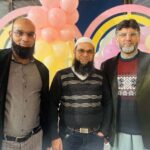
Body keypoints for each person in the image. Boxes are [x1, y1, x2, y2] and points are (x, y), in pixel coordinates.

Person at [49, 37, 112, 150]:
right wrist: (54, 136)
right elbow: (51, 106)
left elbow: (108, 103)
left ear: (93, 54)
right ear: (74, 52)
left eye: (89, 51)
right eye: (81, 50)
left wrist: (104, 131)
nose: (85, 54)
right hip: (68, 137)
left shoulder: (101, 76)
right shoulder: (61, 76)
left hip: (95, 137)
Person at [0, 17, 50, 150]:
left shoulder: (42, 70)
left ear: (34, 37)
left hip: (34, 141)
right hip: (5, 143)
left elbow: (46, 107)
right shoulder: (1, 62)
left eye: (30, 34)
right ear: (10, 34)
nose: (25, 38)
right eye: (19, 33)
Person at [101, 19, 150, 150]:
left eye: (133, 34)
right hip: (116, 132)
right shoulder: (107, 66)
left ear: (139, 37)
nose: (128, 39)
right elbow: (104, 100)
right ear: (117, 38)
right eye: (123, 35)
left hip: (144, 134)